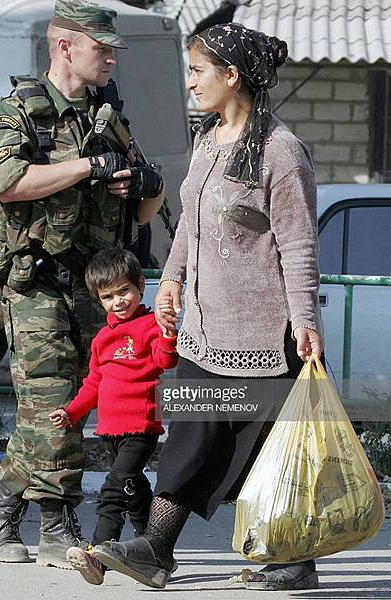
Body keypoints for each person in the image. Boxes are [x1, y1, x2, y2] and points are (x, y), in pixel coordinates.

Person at [90, 23, 324, 591]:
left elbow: (297, 243)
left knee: (267, 452)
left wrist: (308, 323)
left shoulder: (280, 151)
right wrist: (170, 280)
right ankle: (156, 549)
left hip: (266, 336)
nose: (189, 82)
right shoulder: (206, 139)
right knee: (190, 437)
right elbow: (190, 227)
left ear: (231, 76)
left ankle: (294, 558)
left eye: (197, 71)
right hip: (202, 329)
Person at [0, 0, 165, 569]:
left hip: (96, 288)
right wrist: (88, 168)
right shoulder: (19, 112)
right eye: (101, 48)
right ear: (65, 46)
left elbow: (149, 211)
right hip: (36, 282)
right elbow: (4, 182)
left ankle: (0, 509)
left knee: (56, 406)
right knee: (55, 397)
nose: (110, 59)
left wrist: (146, 184)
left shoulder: (110, 116)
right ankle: (57, 524)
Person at [47, 248, 178, 585]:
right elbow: (93, 384)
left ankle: (96, 556)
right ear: (98, 299)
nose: (118, 301)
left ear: (139, 286)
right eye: (108, 296)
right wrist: (71, 412)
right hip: (109, 430)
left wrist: (167, 332)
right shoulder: (103, 339)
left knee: (114, 490)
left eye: (125, 291)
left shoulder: (150, 324)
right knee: (134, 491)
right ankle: (154, 551)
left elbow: (166, 362)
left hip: (141, 427)